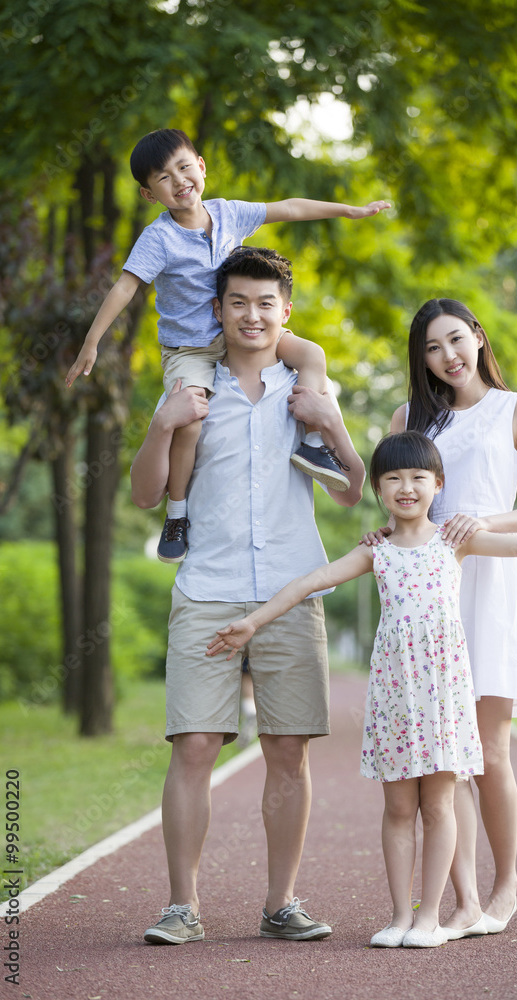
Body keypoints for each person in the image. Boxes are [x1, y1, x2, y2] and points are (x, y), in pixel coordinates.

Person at [207, 431, 517, 948]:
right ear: (378, 490)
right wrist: (252, 623)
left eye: (417, 477)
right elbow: (310, 581)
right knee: (397, 809)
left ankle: (430, 918)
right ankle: (399, 917)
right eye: (393, 478)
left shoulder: (453, 542)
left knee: (439, 806)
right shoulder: (377, 552)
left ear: (438, 484)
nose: (406, 487)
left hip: (443, 695)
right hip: (395, 696)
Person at [130, 246, 366, 945]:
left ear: (284, 311)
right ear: (219, 310)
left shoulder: (308, 388)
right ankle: (181, 906)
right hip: (207, 584)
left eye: (266, 303)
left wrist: (331, 423)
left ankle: (281, 903)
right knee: (195, 744)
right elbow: (146, 494)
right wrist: (161, 423)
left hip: (292, 586)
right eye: (239, 302)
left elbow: (352, 491)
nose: (252, 315)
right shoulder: (194, 394)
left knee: (288, 751)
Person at [66, 127, 388, 562]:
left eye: (184, 167)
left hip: (240, 335)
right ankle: (177, 514)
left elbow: (290, 207)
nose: (179, 181)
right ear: (149, 194)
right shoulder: (158, 239)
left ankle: (313, 445)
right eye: (164, 178)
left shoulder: (230, 213)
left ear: (200, 166)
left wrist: (349, 211)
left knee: (313, 355)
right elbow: (125, 287)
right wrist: (92, 341)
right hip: (192, 349)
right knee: (192, 418)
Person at [361, 297, 517, 937]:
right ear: (420, 358)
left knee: (490, 754)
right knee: (440, 757)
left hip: (495, 582)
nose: (447, 356)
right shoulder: (409, 418)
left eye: (456, 340)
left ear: (477, 338)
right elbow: (401, 493)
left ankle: (505, 887)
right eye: (431, 347)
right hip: (428, 596)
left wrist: (485, 522)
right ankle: (464, 902)